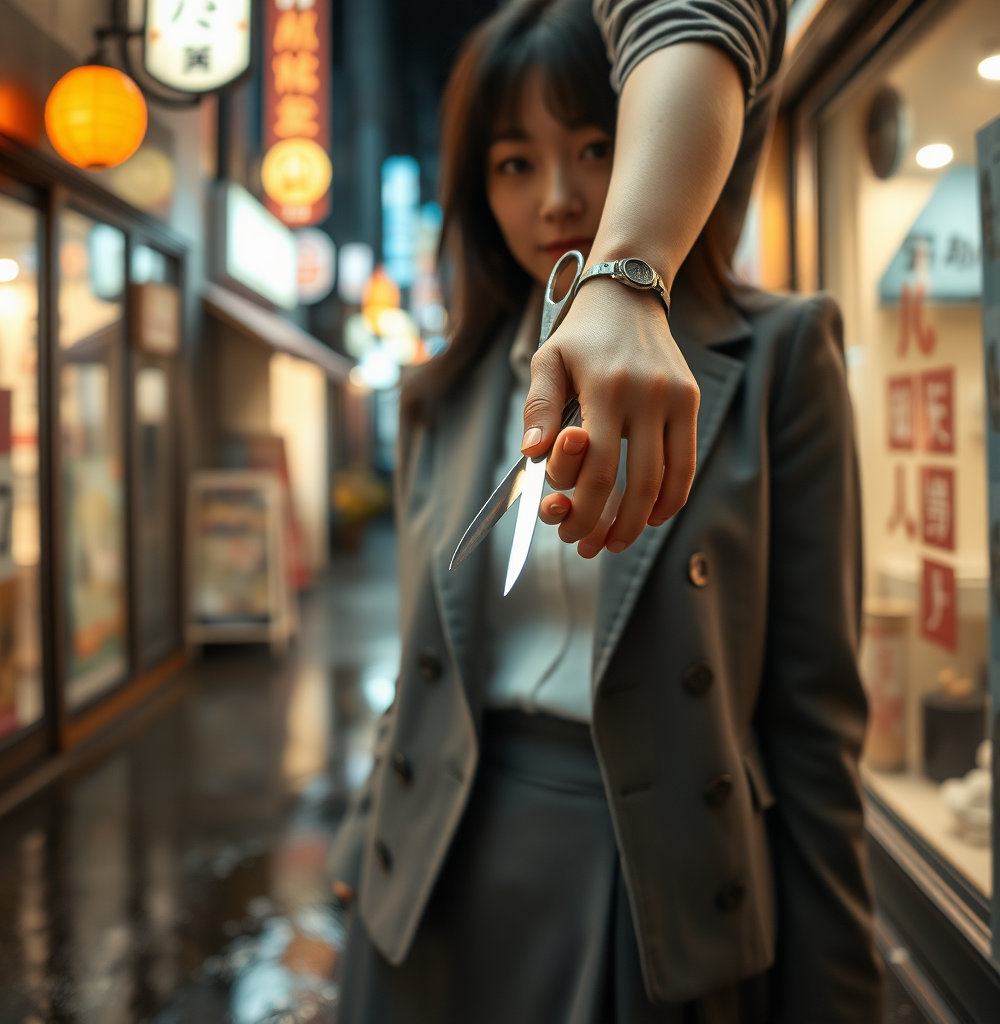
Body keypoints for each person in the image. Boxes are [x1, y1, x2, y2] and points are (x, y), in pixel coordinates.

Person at [330, 0, 882, 1021]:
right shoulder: (440, 393)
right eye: (512, 163)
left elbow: (814, 728)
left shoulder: (777, 356)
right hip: (435, 868)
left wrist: (840, 990)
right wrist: (364, 837)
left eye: (595, 144)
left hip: (653, 878)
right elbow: (423, 667)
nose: (558, 198)